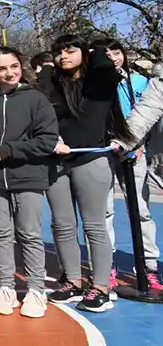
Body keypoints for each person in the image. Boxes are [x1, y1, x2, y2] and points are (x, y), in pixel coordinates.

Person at [40, 34, 130, 313]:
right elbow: (41, 105)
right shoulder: (51, 82)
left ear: (84, 52)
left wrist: (96, 48)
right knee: (62, 224)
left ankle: (101, 286)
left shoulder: (99, 80)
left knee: (94, 225)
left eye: (70, 50)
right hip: (57, 160)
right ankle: (73, 281)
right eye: (58, 52)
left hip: (92, 157)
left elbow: (105, 66)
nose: (63, 56)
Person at [0, 46, 58, 318]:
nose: (9, 73)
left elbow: (46, 140)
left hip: (29, 176)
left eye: (14, 66)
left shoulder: (36, 98)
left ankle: (36, 289)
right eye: (1, 68)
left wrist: (8, 151)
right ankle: (5, 287)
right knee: (0, 233)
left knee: (29, 234)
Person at [96, 39, 161, 289]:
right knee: (104, 211)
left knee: (141, 209)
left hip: (136, 151)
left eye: (116, 51)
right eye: (106, 52)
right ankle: (106, 265)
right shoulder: (93, 84)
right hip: (106, 151)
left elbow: (146, 115)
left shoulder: (138, 82)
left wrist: (140, 143)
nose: (112, 56)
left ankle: (149, 265)